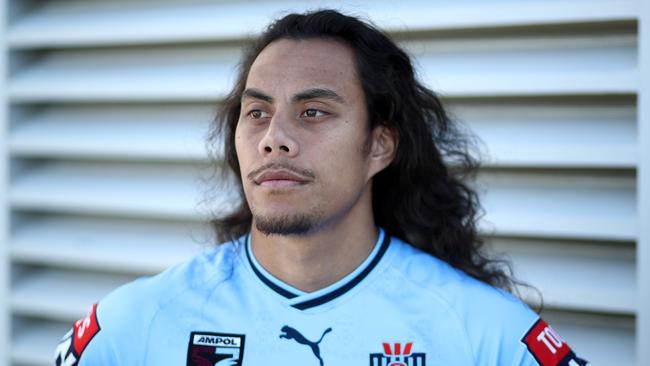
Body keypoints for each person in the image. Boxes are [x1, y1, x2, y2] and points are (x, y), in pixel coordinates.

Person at [55, 9, 590, 366]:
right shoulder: (136, 324)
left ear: (380, 145)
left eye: (313, 112)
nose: (274, 139)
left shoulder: (483, 334)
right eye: (257, 112)